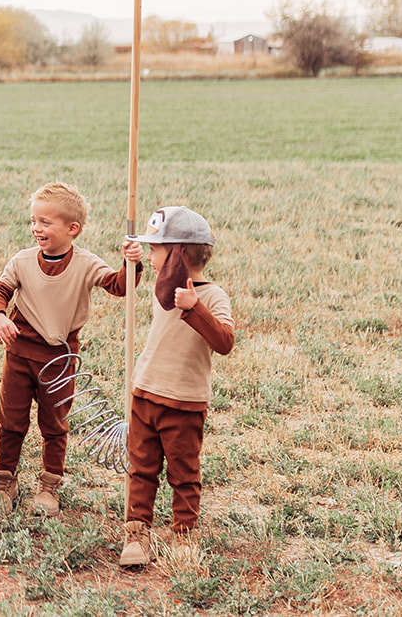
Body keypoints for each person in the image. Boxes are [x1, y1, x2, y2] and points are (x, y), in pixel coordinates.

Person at [0, 183, 133, 516]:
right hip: (20, 353)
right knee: (11, 420)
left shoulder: (86, 263)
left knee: (54, 425)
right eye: (33, 221)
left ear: (72, 229)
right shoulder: (22, 261)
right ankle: (4, 480)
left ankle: (50, 485)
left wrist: (131, 263)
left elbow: (120, 287)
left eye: (45, 222)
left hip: (60, 359)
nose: (36, 228)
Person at [118, 206, 235, 569]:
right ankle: (137, 531)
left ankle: (184, 533)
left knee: (183, 472)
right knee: (141, 467)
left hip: (184, 402)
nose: (152, 257)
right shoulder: (163, 289)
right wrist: (134, 261)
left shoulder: (213, 297)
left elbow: (225, 341)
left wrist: (195, 307)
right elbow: (135, 276)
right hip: (145, 392)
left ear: (179, 254)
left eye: (157, 251)